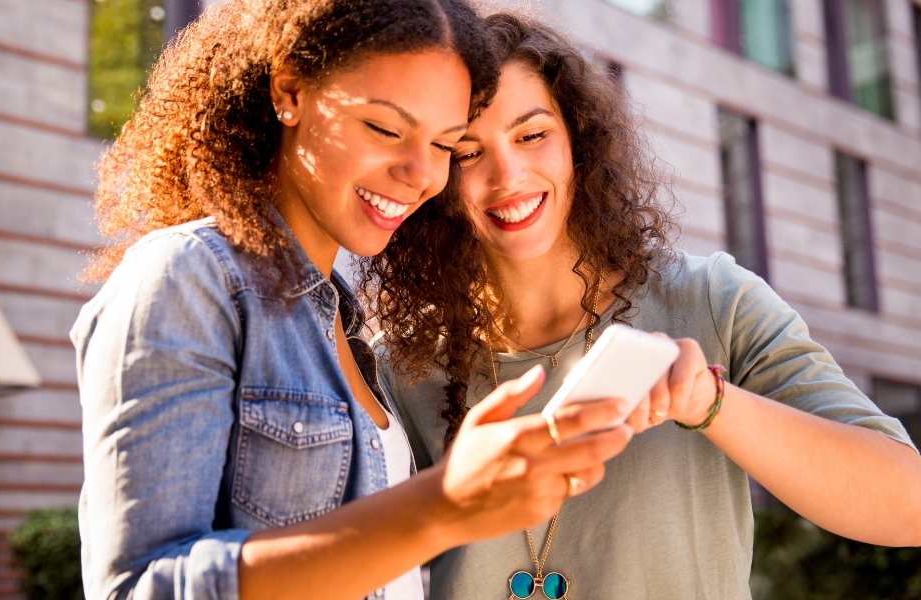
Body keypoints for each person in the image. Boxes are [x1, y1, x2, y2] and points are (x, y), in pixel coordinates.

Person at [71, 2, 637, 599]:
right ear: (290, 90)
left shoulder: (350, 330)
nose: (421, 174)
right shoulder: (187, 278)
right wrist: (440, 507)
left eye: (446, 145)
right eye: (387, 129)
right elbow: (138, 588)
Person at [364, 12, 921, 600]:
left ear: (578, 138)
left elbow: (907, 504)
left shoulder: (712, 301)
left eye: (532, 135)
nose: (508, 175)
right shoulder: (404, 363)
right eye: (469, 152)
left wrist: (710, 403)